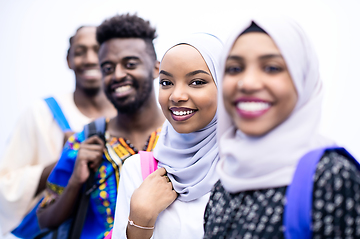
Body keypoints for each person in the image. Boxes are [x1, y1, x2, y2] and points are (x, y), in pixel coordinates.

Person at [203, 16, 360, 238]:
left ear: (302, 79)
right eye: (235, 68)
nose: (247, 83)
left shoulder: (330, 177)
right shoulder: (224, 182)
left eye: (272, 67)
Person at [36, 14, 165, 239]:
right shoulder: (85, 141)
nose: (117, 75)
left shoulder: (182, 135)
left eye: (130, 64)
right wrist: (76, 180)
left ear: (156, 69)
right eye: (107, 67)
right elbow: (44, 219)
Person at [0, 26, 116, 237]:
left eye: (97, 50)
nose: (90, 59)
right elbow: (5, 187)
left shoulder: (126, 118)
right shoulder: (41, 113)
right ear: (68, 60)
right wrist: (65, 161)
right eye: (80, 52)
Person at [110, 33, 223, 239]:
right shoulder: (139, 171)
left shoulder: (243, 168)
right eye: (166, 82)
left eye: (197, 82)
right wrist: (140, 220)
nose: (176, 96)